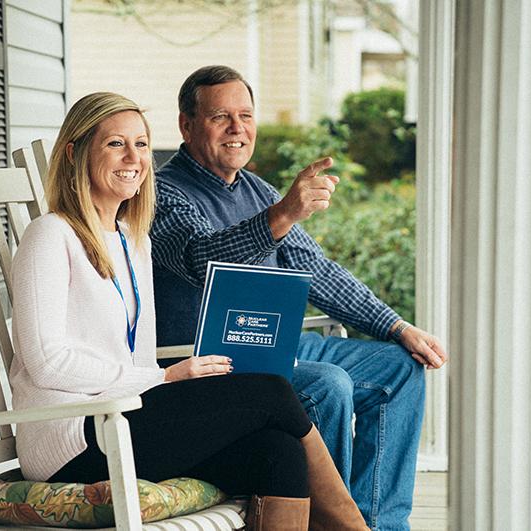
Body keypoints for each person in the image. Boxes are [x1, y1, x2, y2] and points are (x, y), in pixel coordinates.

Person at [8, 91, 369, 530]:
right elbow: (47, 365)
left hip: (124, 417)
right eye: (115, 144)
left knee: (278, 451)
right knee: (272, 391)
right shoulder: (49, 236)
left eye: (141, 144)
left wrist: (162, 380)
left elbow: (137, 359)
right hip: (71, 439)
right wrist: (163, 377)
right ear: (74, 152)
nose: (134, 157)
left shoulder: (131, 238)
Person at [151, 66, 449, 531]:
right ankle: (329, 525)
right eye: (220, 117)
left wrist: (398, 327)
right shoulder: (163, 195)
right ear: (187, 125)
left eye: (246, 116)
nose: (237, 129)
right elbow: (202, 261)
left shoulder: (256, 190)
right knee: (329, 384)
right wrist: (284, 213)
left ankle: (380, 525)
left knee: (400, 368)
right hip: (210, 361)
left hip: (278, 345)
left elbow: (319, 273)